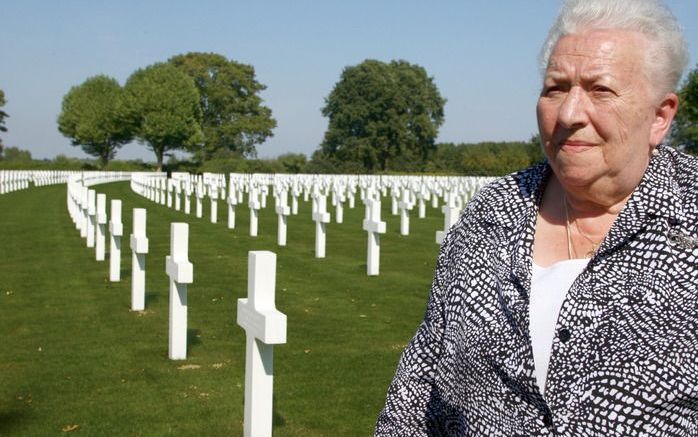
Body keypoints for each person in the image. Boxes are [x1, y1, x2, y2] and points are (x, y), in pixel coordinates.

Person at [375, 0, 697, 435]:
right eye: (555, 88)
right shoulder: (490, 216)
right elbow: (417, 391)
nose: (568, 114)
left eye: (600, 89)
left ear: (660, 117)